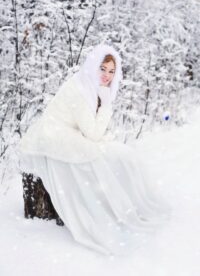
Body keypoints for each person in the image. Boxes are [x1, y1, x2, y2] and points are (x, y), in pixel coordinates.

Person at [17, 44, 171, 257]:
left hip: (64, 131)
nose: (107, 76)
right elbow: (94, 134)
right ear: (92, 66)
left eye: (111, 71)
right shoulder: (81, 90)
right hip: (55, 135)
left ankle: (123, 203)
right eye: (103, 68)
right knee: (98, 156)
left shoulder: (88, 85)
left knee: (117, 154)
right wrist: (106, 105)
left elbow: (92, 129)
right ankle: (107, 208)